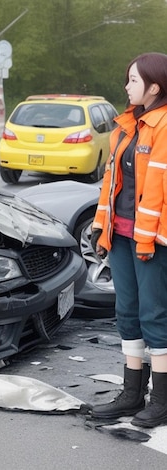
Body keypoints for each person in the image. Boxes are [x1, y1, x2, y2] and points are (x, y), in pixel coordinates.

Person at [91, 52, 167, 428]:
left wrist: (151, 238)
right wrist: (99, 227)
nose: (126, 86)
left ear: (155, 86)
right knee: (127, 314)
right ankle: (132, 393)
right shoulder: (126, 126)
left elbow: (158, 190)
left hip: (153, 241)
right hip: (120, 236)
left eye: (133, 80)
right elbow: (110, 183)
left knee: (155, 316)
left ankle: (162, 399)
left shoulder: (165, 126)